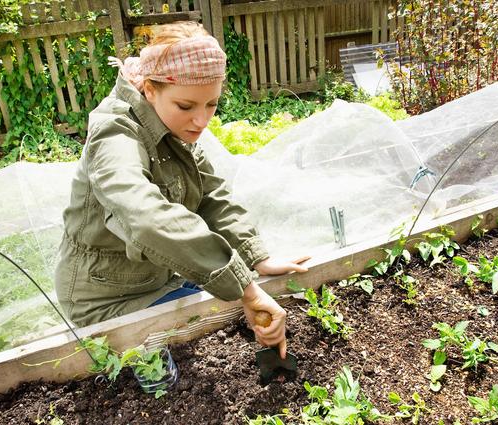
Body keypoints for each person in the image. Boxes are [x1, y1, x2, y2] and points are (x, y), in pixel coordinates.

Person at [54, 21, 308, 359]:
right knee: (211, 328)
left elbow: (211, 196)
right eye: (187, 107)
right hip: (106, 299)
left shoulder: (172, 126)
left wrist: (255, 256)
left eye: (212, 105)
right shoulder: (115, 134)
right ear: (149, 90)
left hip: (153, 280)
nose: (201, 121)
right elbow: (147, 217)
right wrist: (246, 289)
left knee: (225, 303)